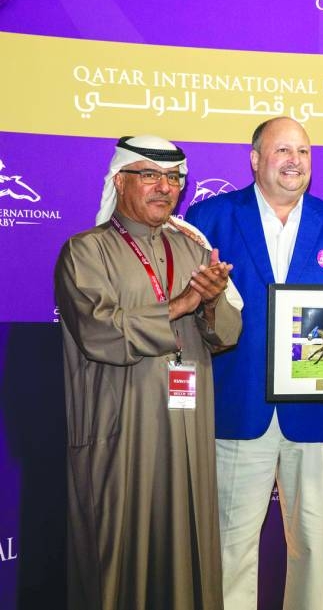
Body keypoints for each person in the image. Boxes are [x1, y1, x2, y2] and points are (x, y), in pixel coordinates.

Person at [185, 117, 323, 610]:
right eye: (282, 150)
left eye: (304, 152)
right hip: (234, 408)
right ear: (255, 159)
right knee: (229, 550)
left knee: (314, 549)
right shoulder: (209, 221)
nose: (295, 161)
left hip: (313, 416)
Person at [56, 135, 241, 610]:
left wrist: (214, 300)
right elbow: (101, 333)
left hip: (187, 434)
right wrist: (182, 303)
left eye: (174, 178)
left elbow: (226, 335)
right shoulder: (85, 252)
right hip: (120, 436)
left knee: (188, 556)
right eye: (151, 176)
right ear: (120, 181)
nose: (166, 188)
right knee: (116, 565)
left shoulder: (196, 251)